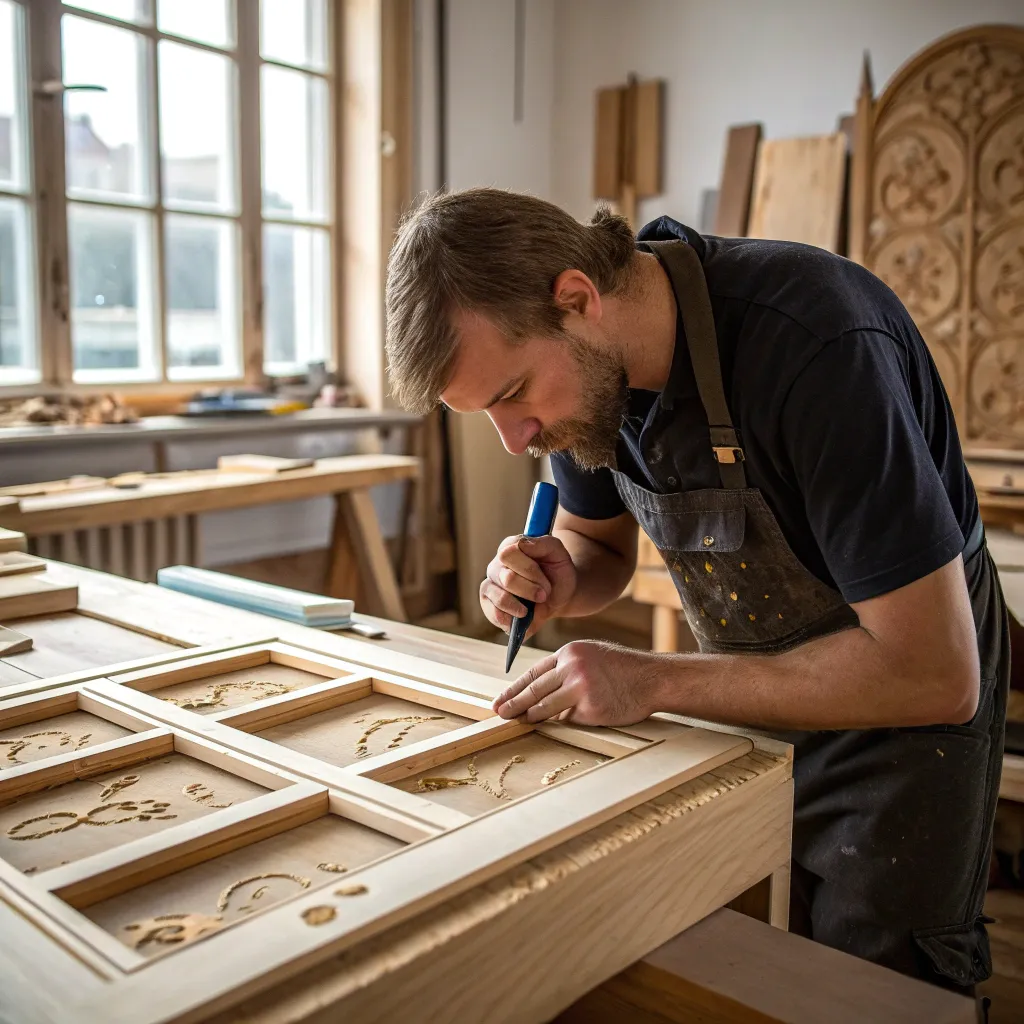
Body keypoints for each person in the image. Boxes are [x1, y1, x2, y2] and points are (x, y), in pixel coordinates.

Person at [384, 187, 1009, 997]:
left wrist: (656, 678)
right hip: (750, 705)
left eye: (509, 397)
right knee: (752, 968)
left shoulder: (816, 344)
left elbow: (934, 673)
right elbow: (594, 542)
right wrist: (558, 576)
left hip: (903, 730)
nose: (515, 443)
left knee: (874, 985)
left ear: (578, 298)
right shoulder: (587, 384)